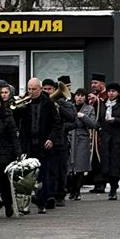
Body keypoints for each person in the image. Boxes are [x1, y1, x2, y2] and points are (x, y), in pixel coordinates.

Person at [16, 78, 62, 214]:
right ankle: (25, 204)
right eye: (29, 89)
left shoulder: (48, 103)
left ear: (40, 89)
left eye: (34, 89)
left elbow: (56, 124)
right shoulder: (25, 103)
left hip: (43, 146)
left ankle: (42, 203)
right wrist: (18, 106)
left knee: (44, 176)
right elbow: (15, 117)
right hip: (28, 145)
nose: (31, 92)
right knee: (26, 177)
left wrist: (51, 139)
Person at [96, 82, 120, 200]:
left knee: (116, 164)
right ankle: (108, 183)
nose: (111, 93)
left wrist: (116, 120)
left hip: (118, 138)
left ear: (118, 93)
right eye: (109, 91)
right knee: (106, 164)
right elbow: (99, 119)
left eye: (113, 91)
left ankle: (113, 188)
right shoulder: (103, 104)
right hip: (106, 138)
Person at [47, 77, 77, 207]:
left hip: (60, 142)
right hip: (47, 141)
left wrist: (58, 107)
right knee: (49, 169)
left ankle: (60, 194)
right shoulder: (43, 103)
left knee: (60, 169)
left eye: (50, 89)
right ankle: (49, 194)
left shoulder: (64, 104)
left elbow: (73, 120)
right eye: (45, 89)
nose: (47, 91)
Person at [64, 88, 97, 201]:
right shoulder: (69, 106)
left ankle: (77, 190)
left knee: (80, 167)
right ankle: (71, 190)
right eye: (78, 95)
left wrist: (83, 116)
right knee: (69, 167)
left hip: (82, 139)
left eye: (82, 96)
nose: (79, 97)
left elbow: (93, 124)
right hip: (70, 137)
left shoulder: (89, 108)